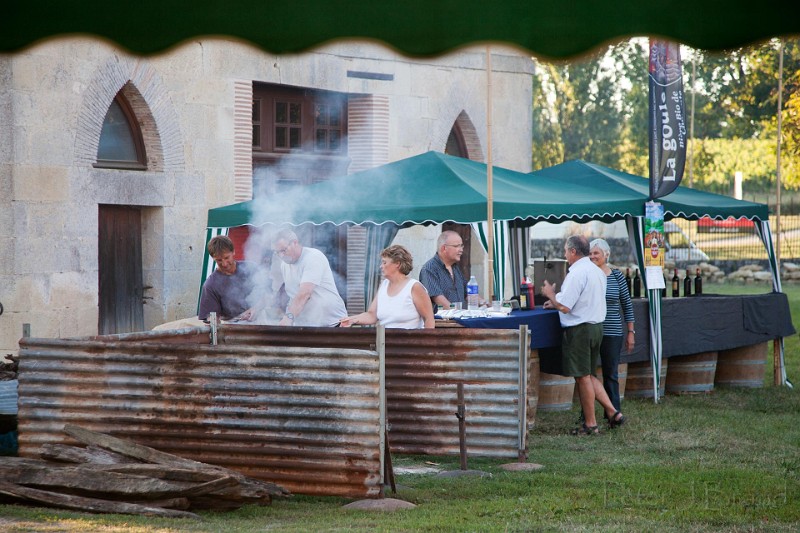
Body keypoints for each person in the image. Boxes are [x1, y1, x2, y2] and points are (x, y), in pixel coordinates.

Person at [541, 235, 625, 434]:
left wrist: (550, 294)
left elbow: (566, 307)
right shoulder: (597, 271)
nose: (564, 254)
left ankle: (590, 424)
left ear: (572, 251)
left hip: (580, 329)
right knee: (588, 374)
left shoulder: (577, 273)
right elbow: (580, 298)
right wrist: (555, 300)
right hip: (596, 327)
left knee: (582, 377)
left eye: (565, 250)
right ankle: (614, 412)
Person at [589, 238, 635, 414]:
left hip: (612, 331)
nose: (593, 256)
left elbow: (627, 305)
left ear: (606, 255)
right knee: (588, 375)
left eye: (596, 253)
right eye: (591, 253)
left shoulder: (617, 276)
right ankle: (587, 414)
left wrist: (631, 331)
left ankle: (614, 414)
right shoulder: (588, 274)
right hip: (592, 330)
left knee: (610, 374)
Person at [340, 245, 435, 329]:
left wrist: (426, 345)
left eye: (384, 262)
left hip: (409, 345)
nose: (381, 266)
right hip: (384, 344)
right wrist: (351, 320)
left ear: (397, 264)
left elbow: (429, 319)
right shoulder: (384, 285)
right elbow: (372, 315)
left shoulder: (414, 287)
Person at [271, 228, 347, 327]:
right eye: (277, 252)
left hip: (332, 323)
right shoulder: (284, 265)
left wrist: (288, 318)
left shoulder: (313, 257)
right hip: (307, 324)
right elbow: (286, 293)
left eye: (283, 250)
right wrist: (256, 309)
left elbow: (305, 293)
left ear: (295, 242)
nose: (281, 255)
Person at [198, 235, 258, 322]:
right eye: (219, 260)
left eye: (227, 258)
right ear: (213, 258)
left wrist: (256, 307)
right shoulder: (210, 285)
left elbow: (268, 293)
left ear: (233, 251)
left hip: (261, 320)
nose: (224, 264)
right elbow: (210, 318)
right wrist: (213, 320)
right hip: (234, 327)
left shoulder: (251, 268)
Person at [419, 230, 467, 312]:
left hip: (459, 319)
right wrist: (457, 312)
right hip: (441, 322)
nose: (461, 250)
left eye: (461, 246)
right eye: (456, 246)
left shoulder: (455, 267)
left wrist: (485, 304)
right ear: (444, 248)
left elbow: (468, 292)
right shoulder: (429, 269)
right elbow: (439, 299)